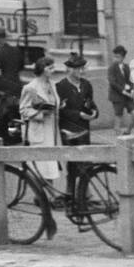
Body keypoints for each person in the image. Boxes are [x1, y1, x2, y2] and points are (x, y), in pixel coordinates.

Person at [56, 54, 98, 198]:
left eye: (82, 68)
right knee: (73, 161)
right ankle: (70, 191)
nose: (81, 71)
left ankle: (85, 192)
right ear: (69, 69)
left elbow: (90, 103)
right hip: (69, 128)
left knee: (85, 160)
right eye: (77, 69)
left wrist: (94, 113)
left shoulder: (86, 85)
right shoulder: (61, 86)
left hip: (84, 128)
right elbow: (61, 111)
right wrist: (78, 114)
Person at [19, 57, 61, 186]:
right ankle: (41, 194)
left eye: (53, 68)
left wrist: (59, 106)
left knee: (50, 165)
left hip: (52, 129)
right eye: (50, 68)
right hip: (39, 129)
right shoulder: (30, 87)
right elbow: (24, 110)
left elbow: (55, 102)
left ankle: (49, 192)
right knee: (41, 165)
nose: (53, 71)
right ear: (42, 69)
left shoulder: (52, 85)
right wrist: (41, 114)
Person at [107, 46, 134, 133]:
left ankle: (128, 131)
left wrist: (132, 90)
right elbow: (113, 83)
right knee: (118, 116)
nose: (116, 59)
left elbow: (131, 80)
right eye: (115, 56)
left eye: (118, 57)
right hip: (117, 96)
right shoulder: (112, 68)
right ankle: (117, 132)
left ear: (123, 57)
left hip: (128, 96)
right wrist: (123, 91)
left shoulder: (127, 67)